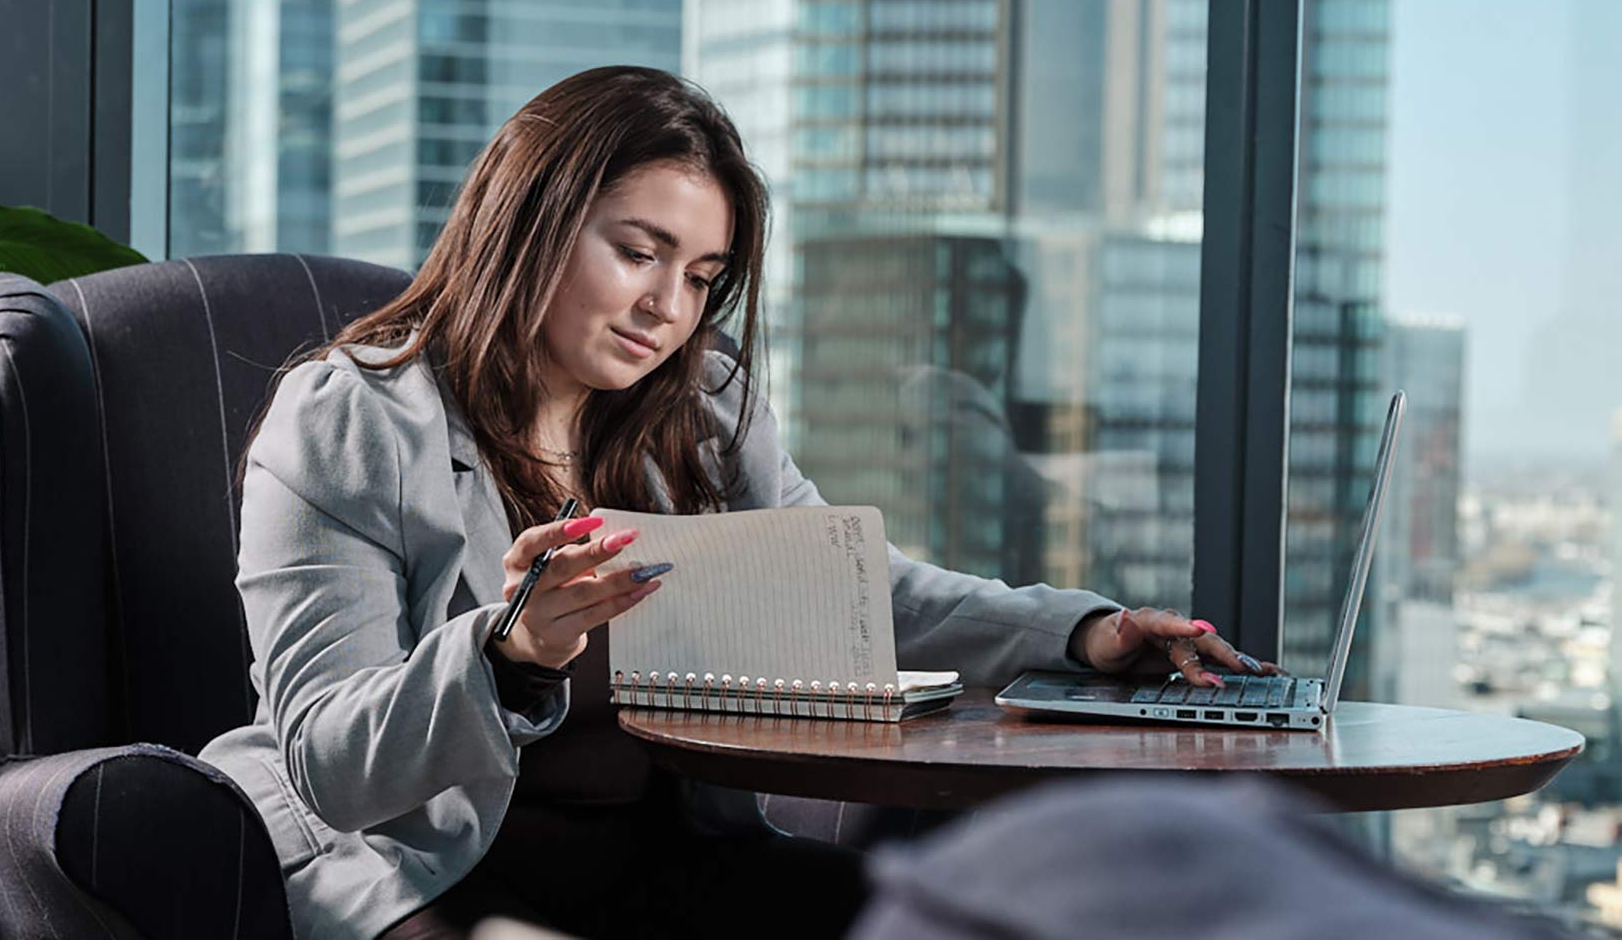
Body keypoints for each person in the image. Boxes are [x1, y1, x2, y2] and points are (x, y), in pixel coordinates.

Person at [198, 66, 1282, 940]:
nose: (667, 307)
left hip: (663, 861)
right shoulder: (352, 416)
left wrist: (1082, 633)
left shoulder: (699, 405)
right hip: (413, 866)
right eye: (638, 252)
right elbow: (328, 760)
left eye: (704, 275)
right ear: (527, 221)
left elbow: (863, 598)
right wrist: (508, 650)